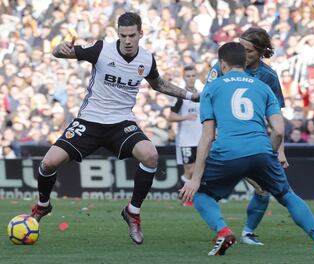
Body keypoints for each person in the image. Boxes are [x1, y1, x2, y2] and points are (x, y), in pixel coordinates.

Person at [30, 12, 199, 245]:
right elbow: (60, 53)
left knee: (150, 155)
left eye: (131, 35)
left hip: (121, 123)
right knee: (48, 163)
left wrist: (190, 95)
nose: (127, 40)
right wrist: (60, 48)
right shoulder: (101, 50)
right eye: (123, 35)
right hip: (90, 120)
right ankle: (42, 205)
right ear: (117, 34)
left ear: (141, 33)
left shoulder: (147, 59)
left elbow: (158, 84)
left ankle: (133, 211)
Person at [179, 42, 314, 256]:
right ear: (244, 62)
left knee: (201, 195)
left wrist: (195, 178)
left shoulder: (212, 88)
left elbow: (207, 136)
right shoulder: (263, 87)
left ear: (222, 64)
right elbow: (278, 131)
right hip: (261, 150)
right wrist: (271, 154)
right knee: (287, 195)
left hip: (227, 152)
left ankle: (223, 231)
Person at [206, 27, 288, 245]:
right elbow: (208, 102)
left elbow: (276, 118)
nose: (240, 51)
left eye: (247, 49)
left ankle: (245, 232)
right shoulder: (222, 67)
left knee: (263, 188)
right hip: (225, 141)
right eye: (239, 46)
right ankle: (223, 229)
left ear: (260, 52)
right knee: (203, 190)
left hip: (254, 141)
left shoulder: (268, 76)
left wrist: (279, 150)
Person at [167, 65, 202, 207]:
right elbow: (170, 116)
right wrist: (186, 117)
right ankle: (185, 198)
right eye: (188, 76)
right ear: (183, 77)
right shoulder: (180, 96)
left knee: (198, 170)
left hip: (200, 139)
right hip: (186, 139)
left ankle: (190, 197)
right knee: (189, 170)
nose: (191, 79)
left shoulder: (201, 94)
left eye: (193, 75)